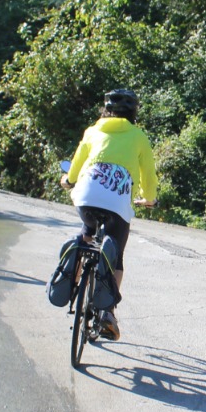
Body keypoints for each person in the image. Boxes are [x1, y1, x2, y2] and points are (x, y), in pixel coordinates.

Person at [59, 89, 158, 341]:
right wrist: (148, 197)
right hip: (117, 203)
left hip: (86, 198)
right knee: (115, 254)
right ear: (133, 112)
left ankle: (72, 278)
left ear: (106, 110)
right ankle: (107, 313)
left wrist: (68, 180)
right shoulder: (138, 136)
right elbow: (148, 173)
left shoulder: (92, 131)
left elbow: (77, 164)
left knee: (87, 232)